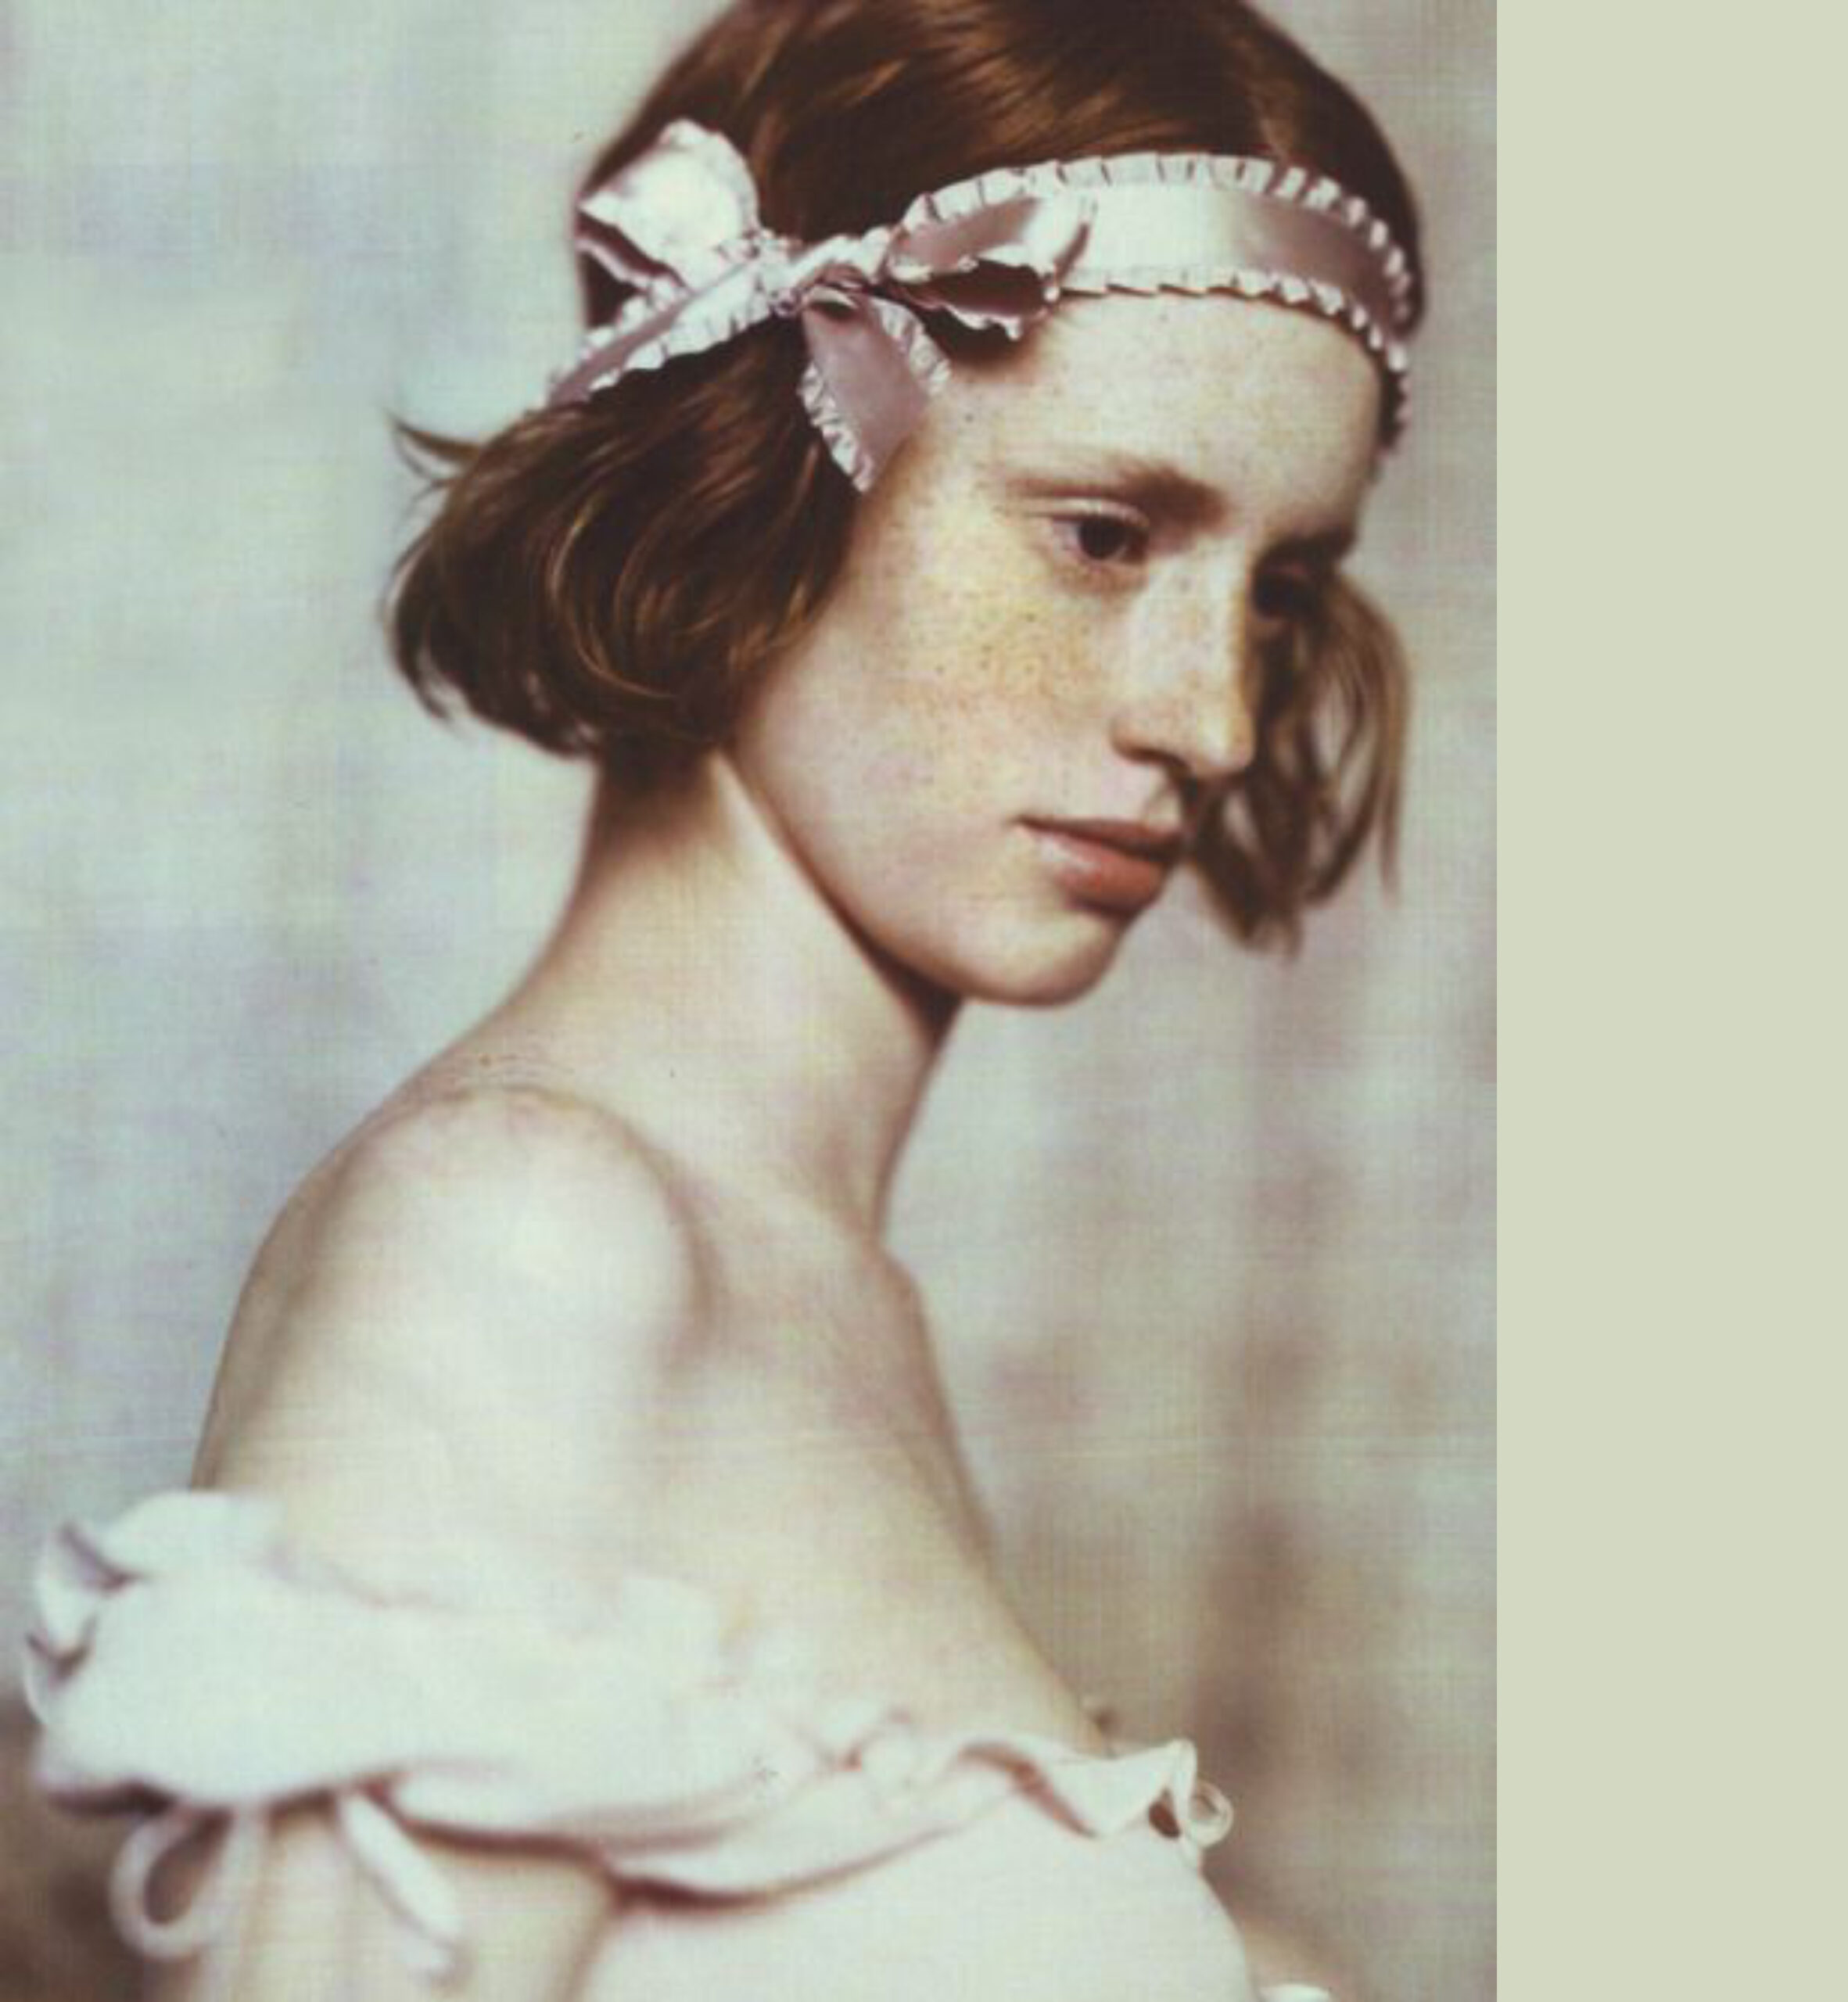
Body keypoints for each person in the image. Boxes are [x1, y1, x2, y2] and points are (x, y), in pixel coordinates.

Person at [22, 0, 1425, 1995]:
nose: (1209, 717)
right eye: (1102, 535)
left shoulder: (809, 1290)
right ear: (762, 468)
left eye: (1275, 588)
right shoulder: (530, 1238)